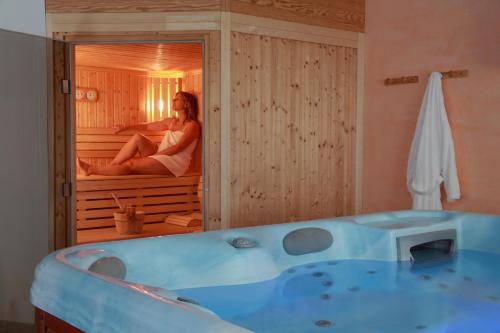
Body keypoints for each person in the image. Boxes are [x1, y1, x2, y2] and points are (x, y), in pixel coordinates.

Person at [77, 91, 200, 177]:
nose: (173, 100)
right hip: (161, 155)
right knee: (138, 138)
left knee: (131, 164)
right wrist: (126, 126)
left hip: (174, 163)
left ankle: (90, 169)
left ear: (187, 103)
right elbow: (147, 126)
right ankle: (112, 167)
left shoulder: (192, 126)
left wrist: (156, 156)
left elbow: (178, 148)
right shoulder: (171, 121)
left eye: (177, 98)